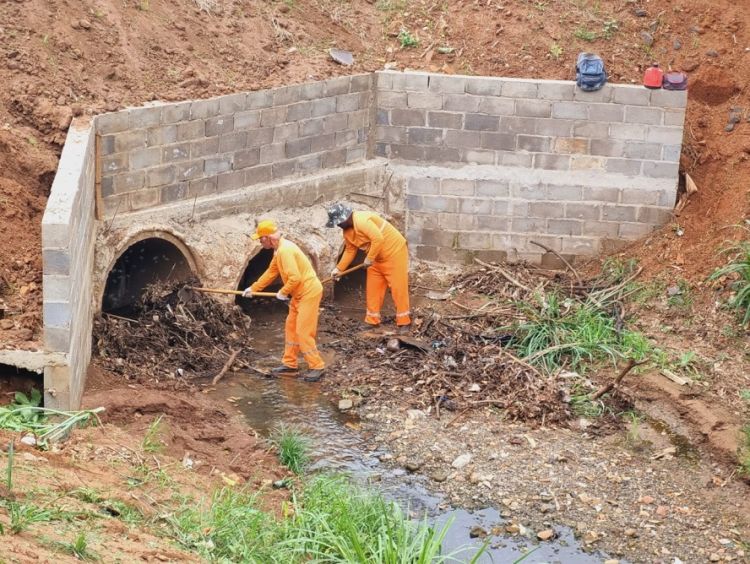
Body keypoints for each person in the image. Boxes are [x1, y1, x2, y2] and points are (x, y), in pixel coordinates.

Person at [242, 220, 325, 382]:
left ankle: (317, 366)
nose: (259, 242)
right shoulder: (278, 250)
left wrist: (282, 292)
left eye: (260, 239)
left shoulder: (285, 251)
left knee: (303, 331)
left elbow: (295, 277)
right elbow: (271, 272)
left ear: (267, 238)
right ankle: (289, 363)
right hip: (298, 294)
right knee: (291, 328)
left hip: (308, 292)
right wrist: (254, 288)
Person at [325, 203, 411, 331]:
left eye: (339, 222)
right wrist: (339, 269)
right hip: (376, 258)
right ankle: (372, 321)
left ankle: (404, 322)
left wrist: (369, 258)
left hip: (394, 253)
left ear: (346, 217)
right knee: (373, 289)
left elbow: (378, 239)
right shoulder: (347, 232)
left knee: (398, 288)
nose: (338, 225)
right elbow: (350, 250)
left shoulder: (361, 221)